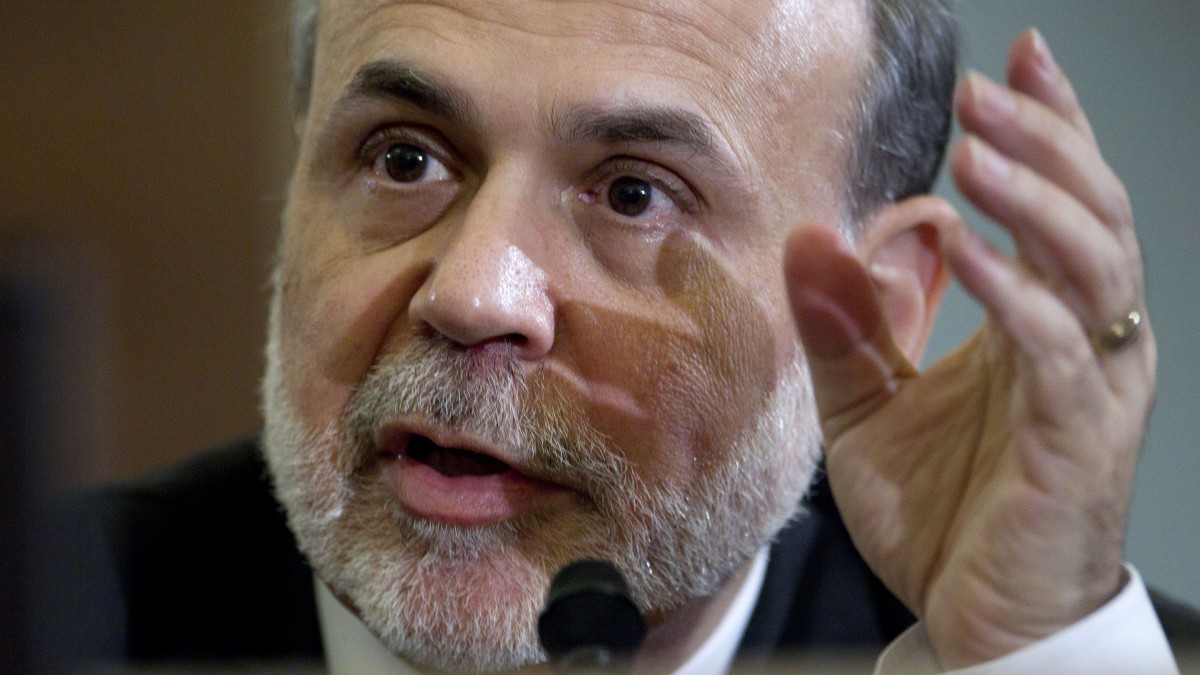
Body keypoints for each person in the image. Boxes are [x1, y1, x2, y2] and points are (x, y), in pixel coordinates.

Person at [41, 0, 1200, 672]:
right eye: (404, 158)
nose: (475, 295)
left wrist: (1027, 655)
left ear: (882, 303)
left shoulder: (1012, 648)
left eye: (635, 194)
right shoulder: (46, 618)